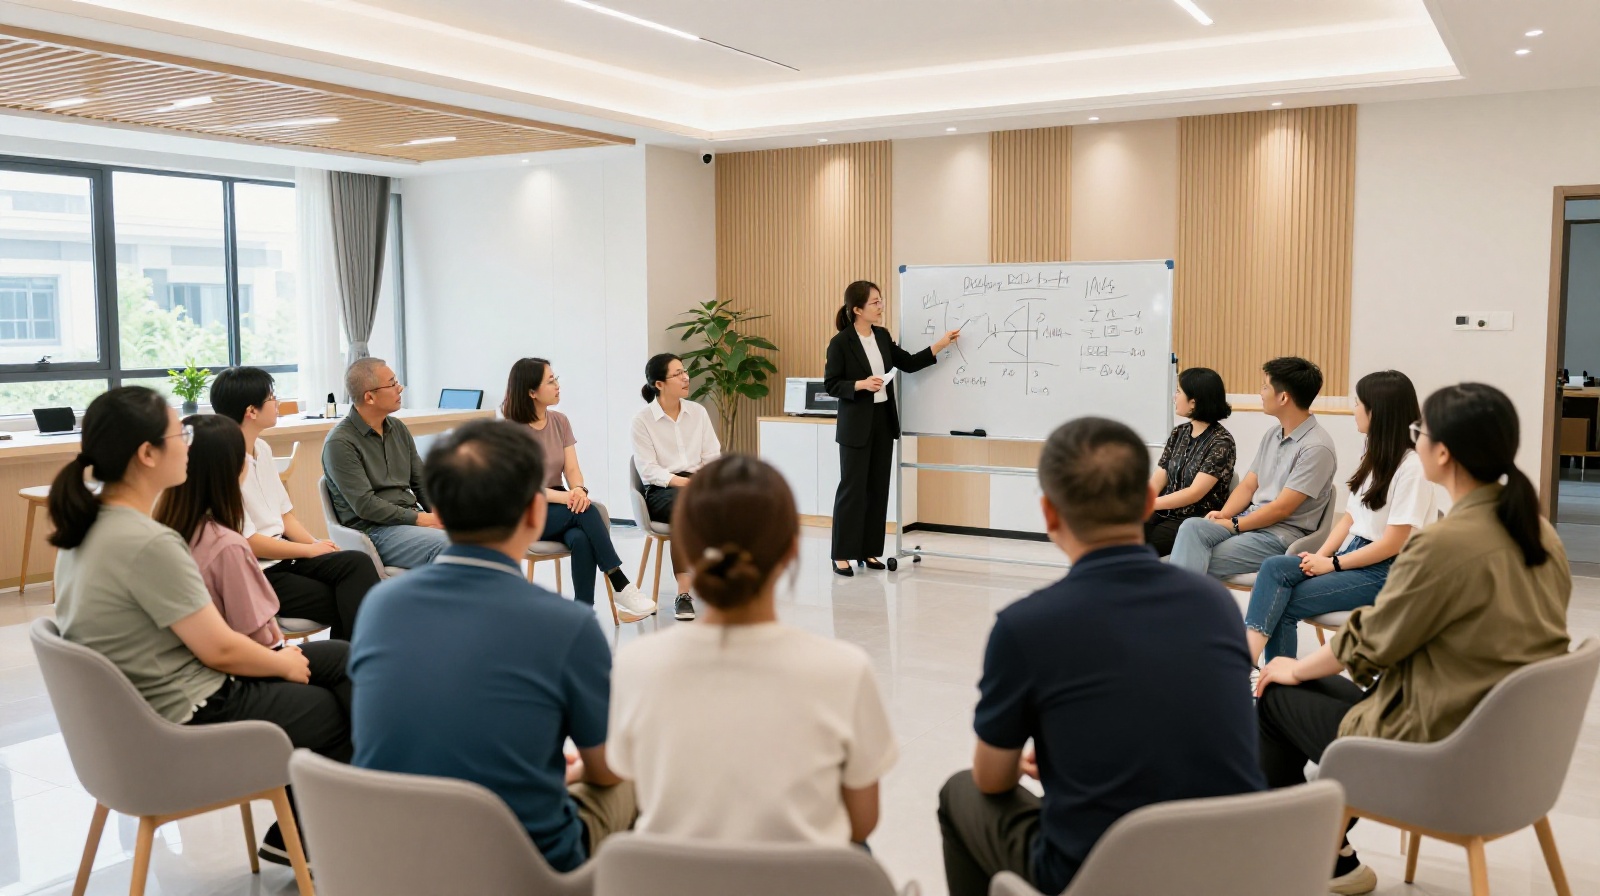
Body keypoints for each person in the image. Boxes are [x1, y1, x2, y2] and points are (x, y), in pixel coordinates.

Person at [1255, 383, 1570, 895]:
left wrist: (1289, 667)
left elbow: (1370, 641)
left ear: (1441, 452)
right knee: (1295, 684)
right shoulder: (1539, 532)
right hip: (1510, 749)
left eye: (1420, 433)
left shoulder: (1444, 545)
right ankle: (1324, 847)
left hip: (1437, 747)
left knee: (1273, 692)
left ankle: (1307, 853)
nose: (1415, 440)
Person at [938, 417, 1264, 896]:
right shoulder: (1215, 604)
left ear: (1049, 515)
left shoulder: (1025, 627)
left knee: (961, 791)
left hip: (1099, 875)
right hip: (1226, 868)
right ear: (1149, 503)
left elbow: (992, 778)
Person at [49, 387, 351, 869]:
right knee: (335, 705)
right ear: (147, 454)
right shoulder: (148, 542)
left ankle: (313, 833)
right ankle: (322, 840)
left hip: (143, 707)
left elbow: (212, 641)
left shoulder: (85, 527)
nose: (187, 446)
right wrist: (281, 662)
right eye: (177, 435)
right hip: (190, 711)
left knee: (343, 659)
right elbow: (221, 652)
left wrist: (281, 659)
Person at [350, 419, 636, 870]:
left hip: (395, 856)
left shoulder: (378, 606)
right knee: (629, 783)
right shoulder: (568, 625)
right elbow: (604, 770)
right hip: (519, 864)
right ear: (534, 513)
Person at [609, 455, 897, 846]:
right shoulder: (844, 671)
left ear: (688, 552)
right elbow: (861, 823)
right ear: (791, 550)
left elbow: (632, 796)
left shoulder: (636, 666)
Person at [1243, 371, 1434, 665]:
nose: (1354, 410)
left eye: (1358, 403)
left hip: (1387, 571)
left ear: (1378, 411)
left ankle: (1271, 683)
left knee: (1282, 602)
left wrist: (1332, 564)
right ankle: (1249, 664)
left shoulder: (1413, 467)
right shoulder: (1373, 452)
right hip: (1355, 554)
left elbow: (1394, 543)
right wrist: (1318, 558)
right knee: (1274, 568)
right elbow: (1350, 517)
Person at [211, 366, 380, 640]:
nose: (277, 403)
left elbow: (285, 516)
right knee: (351, 599)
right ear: (251, 411)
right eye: (271, 398)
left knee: (356, 564)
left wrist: (315, 545)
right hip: (258, 571)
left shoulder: (262, 449)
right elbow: (249, 541)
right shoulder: (223, 463)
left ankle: (349, 667)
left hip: (285, 556)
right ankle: (350, 668)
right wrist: (308, 551)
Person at [502, 357, 655, 620]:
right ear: (531, 392)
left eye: (555, 378)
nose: (558, 385)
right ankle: (619, 581)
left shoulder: (560, 421)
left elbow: (571, 469)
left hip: (559, 504)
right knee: (585, 512)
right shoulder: (511, 431)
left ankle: (581, 615)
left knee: (581, 537)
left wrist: (580, 490)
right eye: (550, 381)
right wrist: (569, 497)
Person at [825, 280, 960, 576]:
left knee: (877, 489)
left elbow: (908, 363)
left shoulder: (882, 336)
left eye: (881, 300)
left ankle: (869, 551)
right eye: (875, 302)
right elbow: (831, 384)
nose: (880, 306)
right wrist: (860, 384)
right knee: (852, 490)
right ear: (857, 309)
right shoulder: (841, 342)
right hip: (855, 426)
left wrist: (941, 343)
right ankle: (841, 554)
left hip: (882, 422)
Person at [1168, 357, 1337, 578]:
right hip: (1251, 522)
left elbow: (1281, 509)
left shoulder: (1316, 447)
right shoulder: (1273, 434)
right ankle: (1184, 608)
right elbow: (1248, 486)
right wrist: (1224, 515)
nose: (1261, 392)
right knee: (1192, 527)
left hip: (1280, 535)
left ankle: (1180, 610)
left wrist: (1235, 524)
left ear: (1283, 397)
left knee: (1190, 556)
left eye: (1265, 386)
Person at [154, 414, 286, 646]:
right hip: (243, 668)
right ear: (233, 467)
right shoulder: (226, 545)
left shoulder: (163, 528)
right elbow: (260, 640)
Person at [322, 357, 449, 569]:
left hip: (409, 520)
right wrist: (422, 519)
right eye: (392, 384)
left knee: (481, 538)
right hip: (374, 531)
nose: (400, 388)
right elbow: (365, 505)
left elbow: (421, 482)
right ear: (369, 397)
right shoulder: (340, 442)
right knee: (451, 548)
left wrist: (440, 514)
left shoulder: (397, 428)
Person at [630, 352, 721, 622]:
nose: (686, 377)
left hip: (699, 486)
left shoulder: (698, 412)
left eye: (685, 371)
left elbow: (712, 457)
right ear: (659, 384)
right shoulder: (642, 420)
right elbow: (648, 470)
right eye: (678, 374)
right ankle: (684, 594)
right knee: (686, 508)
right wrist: (688, 484)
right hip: (663, 491)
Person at [1145, 367, 1236, 556]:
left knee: (1137, 549)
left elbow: (1195, 493)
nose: (1174, 397)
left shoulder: (1221, 442)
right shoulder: (1179, 432)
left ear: (1193, 403)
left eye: (1178, 391)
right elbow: (1160, 475)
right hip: (1163, 512)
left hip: (1193, 520)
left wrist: (1151, 504)